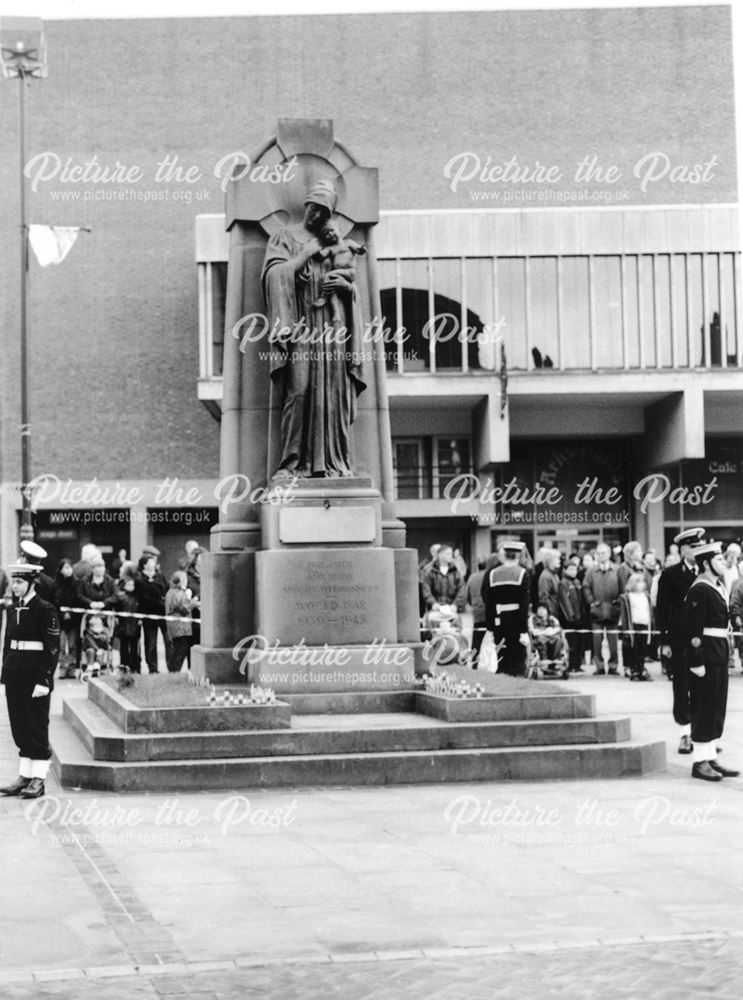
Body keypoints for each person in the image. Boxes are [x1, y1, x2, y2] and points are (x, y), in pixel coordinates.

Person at [262, 178, 366, 478]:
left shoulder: (336, 244)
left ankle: (334, 462)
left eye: (324, 211)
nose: (318, 215)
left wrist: (346, 287)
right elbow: (274, 276)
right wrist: (305, 255)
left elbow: (352, 282)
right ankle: (292, 463)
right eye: (314, 208)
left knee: (334, 394)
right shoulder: (284, 237)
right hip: (300, 330)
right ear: (306, 204)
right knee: (299, 391)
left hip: (332, 330)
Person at [0, 561, 59, 799]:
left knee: (36, 726)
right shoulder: (13, 609)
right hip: (15, 675)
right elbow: (7, 643)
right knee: (19, 725)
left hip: (35, 677)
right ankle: (25, 775)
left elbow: (52, 648)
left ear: (31, 583)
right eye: (13, 581)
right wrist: (4, 673)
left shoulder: (45, 609)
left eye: (19, 582)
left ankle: (39, 778)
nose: (15, 586)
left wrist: (45, 680)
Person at [684, 541, 739, 782]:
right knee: (704, 706)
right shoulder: (700, 589)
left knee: (716, 705)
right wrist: (697, 661)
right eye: (718, 560)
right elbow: (693, 630)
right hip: (706, 652)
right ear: (706, 563)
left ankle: (710, 756)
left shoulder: (717, 586)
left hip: (719, 649)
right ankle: (699, 762)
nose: (723, 562)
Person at [656, 526, 705, 753]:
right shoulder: (670, 574)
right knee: (682, 685)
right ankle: (684, 734)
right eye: (693, 547)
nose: (697, 550)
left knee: (703, 686)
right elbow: (662, 609)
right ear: (684, 549)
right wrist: (663, 640)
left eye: (699, 546)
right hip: (679, 640)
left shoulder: (706, 573)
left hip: (703, 640)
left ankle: (702, 734)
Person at [481, 540, 530, 676]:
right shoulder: (522, 573)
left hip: (499, 620)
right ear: (517, 556)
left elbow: (489, 602)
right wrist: (524, 630)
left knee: (502, 655)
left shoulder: (492, 574)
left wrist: (490, 628)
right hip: (516, 621)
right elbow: (524, 604)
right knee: (517, 657)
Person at [312, 220, 366, 322]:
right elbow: (322, 254)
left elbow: (358, 249)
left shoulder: (348, 243)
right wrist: (315, 249)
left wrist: (361, 249)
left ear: (339, 230)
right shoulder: (330, 248)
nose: (330, 234)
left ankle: (323, 296)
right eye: (326, 234)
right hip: (339, 274)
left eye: (331, 230)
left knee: (327, 276)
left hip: (349, 272)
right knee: (332, 288)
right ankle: (336, 313)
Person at [582, 542, 620, 675]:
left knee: (613, 641)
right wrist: (591, 602)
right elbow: (586, 587)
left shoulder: (617, 569)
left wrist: (618, 602)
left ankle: (613, 666)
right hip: (596, 611)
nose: (600, 555)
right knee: (596, 641)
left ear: (609, 554)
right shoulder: (591, 571)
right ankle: (599, 666)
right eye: (598, 553)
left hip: (613, 610)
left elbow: (622, 586)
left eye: (603, 553)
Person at [618, 572, 654, 681]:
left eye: (642, 582)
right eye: (638, 582)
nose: (641, 584)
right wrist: (626, 630)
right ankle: (634, 669)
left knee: (643, 648)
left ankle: (641, 668)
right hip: (633, 625)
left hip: (645, 624)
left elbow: (649, 611)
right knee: (634, 648)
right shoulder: (627, 597)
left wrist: (651, 625)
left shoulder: (645, 596)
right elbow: (624, 615)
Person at [135, 554, 166, 674]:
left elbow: (166, 589)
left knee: (168, 640)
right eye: (151, 561)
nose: (154, 562)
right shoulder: (140, 579)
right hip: (148, 614)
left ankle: (172, 667)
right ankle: (153, 667)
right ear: (144, 565)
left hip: (162, 613)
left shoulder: (160, 576)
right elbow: (142, 597)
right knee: (151, 642)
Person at [53, 558, 81, 679]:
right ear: (60, 570)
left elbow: (79, 600)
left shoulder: (77, 583)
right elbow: (54, 601)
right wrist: (61, 613)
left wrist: (71, 613)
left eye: (70, 567)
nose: (68, 570)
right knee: (61, 644)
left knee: (73, 644)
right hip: (60, 620)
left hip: (74, 620)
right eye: (66, 568)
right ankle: (63, 667)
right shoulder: (56, 584)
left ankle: (72, 667)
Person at [420, 544, 466, 615]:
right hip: (434, 610)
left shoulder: (456, 572)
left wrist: (455, 604)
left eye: (451, 553)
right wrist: (433, 604)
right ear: (440, 555)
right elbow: (426, 590)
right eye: (448, 554)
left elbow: (462, 589)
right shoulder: (430, 572)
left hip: (452, 610)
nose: (451, 556)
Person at [557, 559, 586, 672]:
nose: (573, 571)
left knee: (580, 642)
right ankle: (571, 664)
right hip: (571, 619)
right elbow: (565, 601)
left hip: (580, 618)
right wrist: (571, 616)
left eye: (575, 569)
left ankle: (578, 664)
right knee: (571, 643)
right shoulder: (563, 583)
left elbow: (581, 600)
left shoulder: (577, 582)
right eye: (571, 569)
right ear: (565, 570)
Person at [165, 570, 195, 672]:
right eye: (185, 580)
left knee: (178, 650)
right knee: (180, 652)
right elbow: (183, 609)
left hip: (176, 626)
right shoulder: (178, 593)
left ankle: (174, 670)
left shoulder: (170, 592)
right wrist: (193, 603)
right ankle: (174, 671)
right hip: (181, 627)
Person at [115, 575, 141, 673]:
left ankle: (135, 667)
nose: (131, 586)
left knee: (135, 648)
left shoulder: (137, 596)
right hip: (123, 626)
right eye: (128, 584)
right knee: (124, 648)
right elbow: (117, 610)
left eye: (132, 584)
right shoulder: (120, 597)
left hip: (134, 626)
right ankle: (124, 666)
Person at [465, 560, 487, 668]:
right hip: (492, 612)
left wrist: (473, 604)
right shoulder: (490, 576)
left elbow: (467, 596)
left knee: (476, 641)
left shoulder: (472, 578)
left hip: (478, 612)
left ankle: (474, 663)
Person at [537, 549, 561, 618]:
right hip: (552, 614)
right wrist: (551, 612)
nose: (559, 560)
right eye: (557, 559)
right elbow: (544, 597)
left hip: (556, 611)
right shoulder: (545, 576)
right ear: (549, 561)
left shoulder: (555, 574)